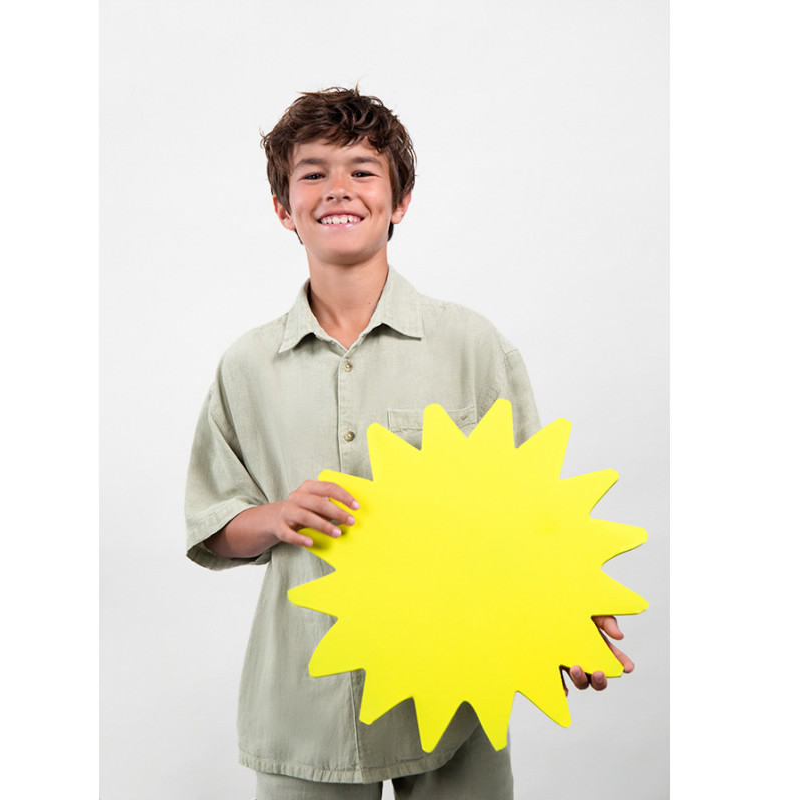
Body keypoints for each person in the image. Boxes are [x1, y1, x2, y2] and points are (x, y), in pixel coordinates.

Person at [184, 87, 634, 800]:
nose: (339, 188)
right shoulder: (247, 365)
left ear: (400, 202)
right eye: (313, 173)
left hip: (456, 690)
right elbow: (213, 522)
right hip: (304, 705)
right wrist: (275, 517)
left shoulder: (471, 344)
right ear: (283, 208)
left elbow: (534, 520)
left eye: (363, 171)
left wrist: (566, 624)